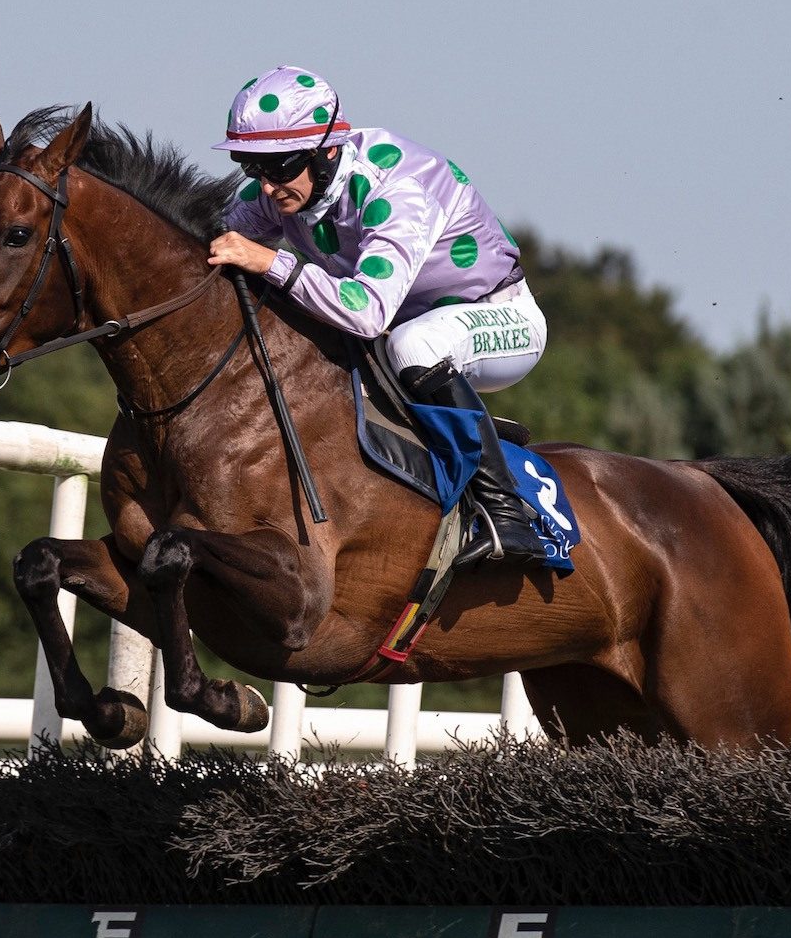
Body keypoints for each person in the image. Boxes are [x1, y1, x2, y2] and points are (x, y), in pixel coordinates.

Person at [207, 65, 550, 567]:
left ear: (326, 151)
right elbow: (205, 241)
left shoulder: (398, 191)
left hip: (501, 319)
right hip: (397, 331)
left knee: (413, 345)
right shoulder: (282, 188)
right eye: (252, 168)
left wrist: (271, 261)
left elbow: (366, 312)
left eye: (279, 168)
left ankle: (507, 515)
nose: (267, 186)